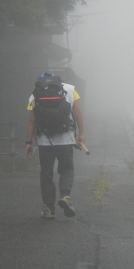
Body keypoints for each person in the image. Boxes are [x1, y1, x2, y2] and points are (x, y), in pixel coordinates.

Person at [25, 72, 85, 219]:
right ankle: (65, 196)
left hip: (44, 140)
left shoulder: (36, 93)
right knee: (67, 168)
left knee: (46, 173)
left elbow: (32, 120)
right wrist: (81, 134)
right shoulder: (70, 89)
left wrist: (28, 143)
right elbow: (77, 112)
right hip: (66, 138)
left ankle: (49, 208)